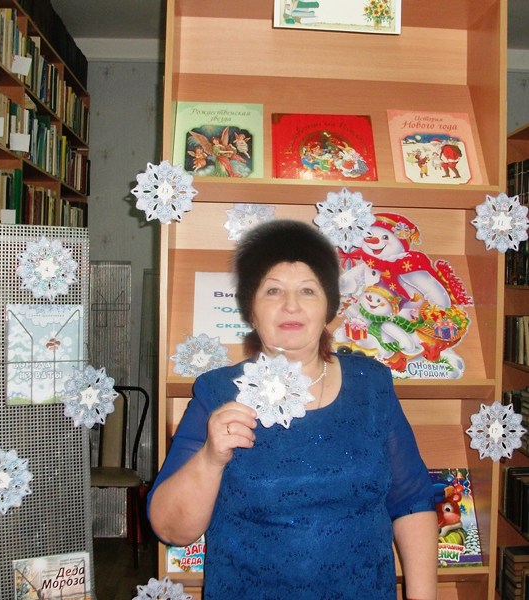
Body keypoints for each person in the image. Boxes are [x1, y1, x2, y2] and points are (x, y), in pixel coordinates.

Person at [148, 219, 438, 599]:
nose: (291, 305)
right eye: (273, 290)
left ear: (328, 307)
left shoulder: (372, 384)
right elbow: (171, 530)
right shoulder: (217, 392)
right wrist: (210, 458)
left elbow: (412, 501)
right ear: (251, 311)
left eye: (307, 290)